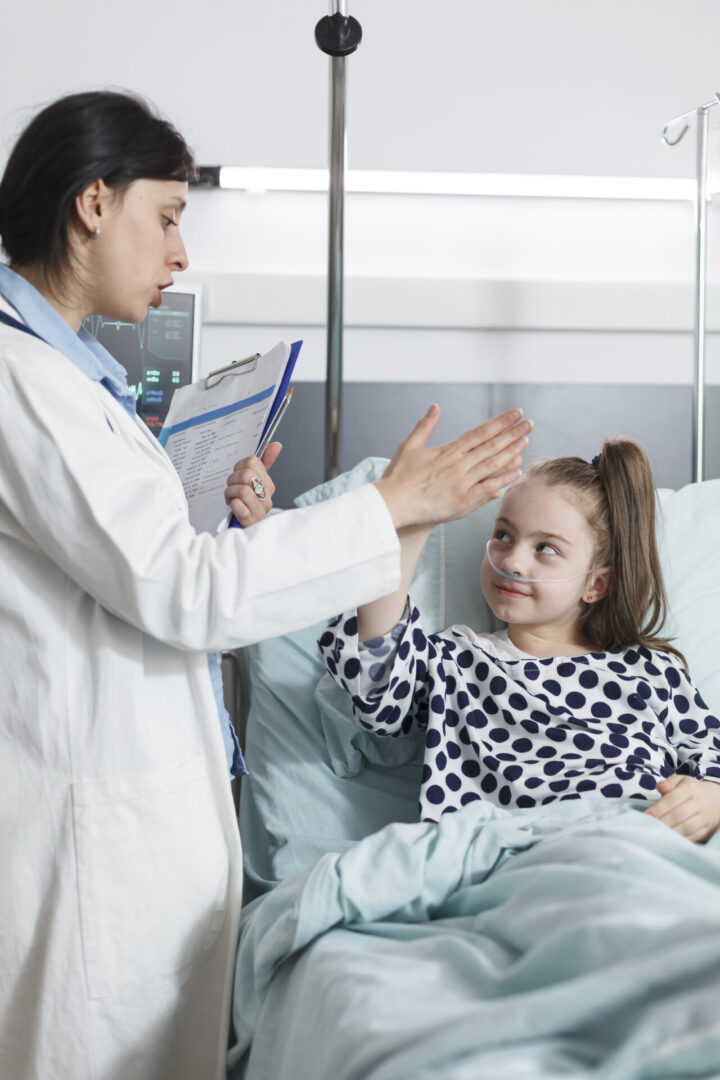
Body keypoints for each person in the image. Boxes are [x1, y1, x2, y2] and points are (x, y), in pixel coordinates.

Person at [0, 89, 531, 1080]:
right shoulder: (21, 380)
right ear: (92, 203)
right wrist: (391, 508)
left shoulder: (67, 381)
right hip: (94, 851)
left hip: (136, 833)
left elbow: (131, 566)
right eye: (167, 218)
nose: (180, 255)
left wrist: (203, 493)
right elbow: (182, 589)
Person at [320, 438, 720, 842]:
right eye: (503, 535)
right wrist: (408, 527)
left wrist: (709, 801)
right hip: (504, 856)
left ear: (596, 585)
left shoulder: (651, 672)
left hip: (629, 841)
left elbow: (712, 756)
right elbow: (377, 681)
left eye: (545, 548)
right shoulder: (457, 660)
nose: (511, 561)